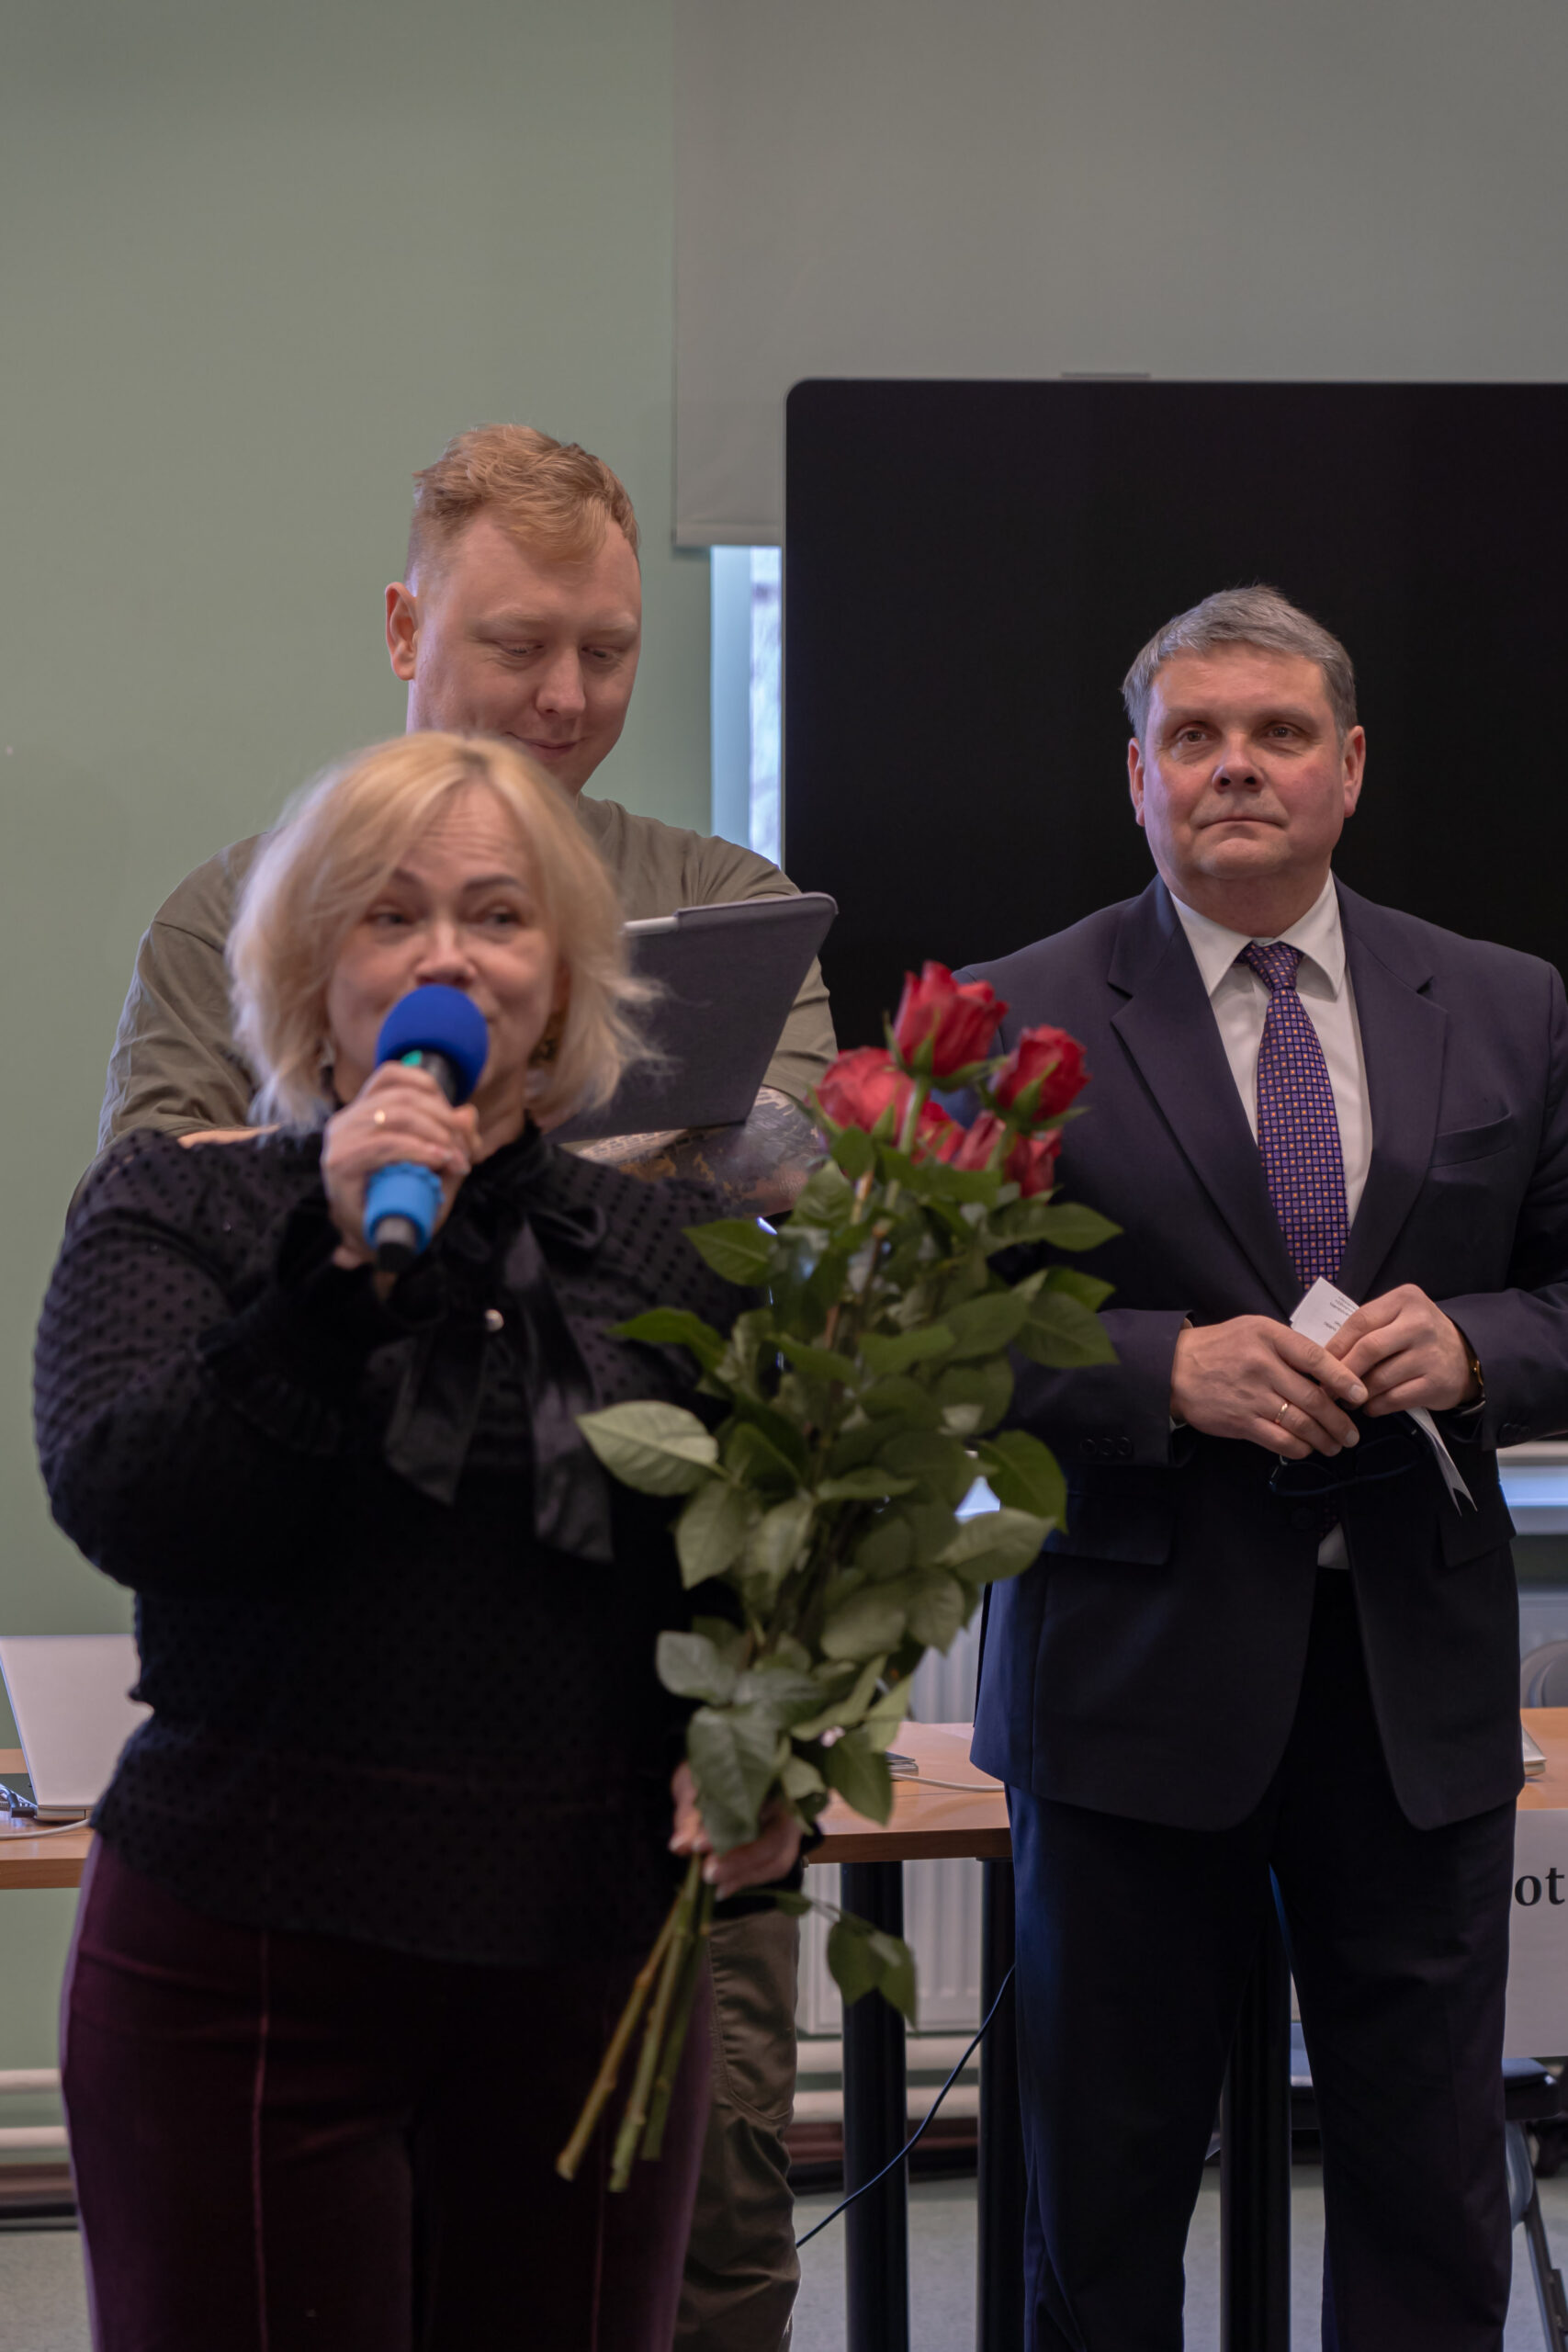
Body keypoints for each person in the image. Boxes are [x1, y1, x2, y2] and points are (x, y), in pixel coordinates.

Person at [92, 424, 829, 2351]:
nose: (566, 695)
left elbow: (786, 1237)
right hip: (290, 1814)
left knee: (706, 2232)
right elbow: (188, 1248)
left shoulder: (725, 895)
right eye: (518, 645)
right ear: (407, 626)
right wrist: (431, 1201)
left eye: (608, 651)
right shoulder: (224, 925)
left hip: (607, 1825)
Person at [961, 586, 1568, 2349]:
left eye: (1280, 733)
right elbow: (927, 1336)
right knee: (1102, 2207)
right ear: (1136, 777)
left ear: (1350, 767)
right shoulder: (1011, 1014)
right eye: (1196, 738)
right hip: (1126, 1694)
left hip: (1413, 1693)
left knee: (1428, 2199)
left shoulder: (1511, 1006)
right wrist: (1161, 1368)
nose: (1238, 766)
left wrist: (1475, 1349)